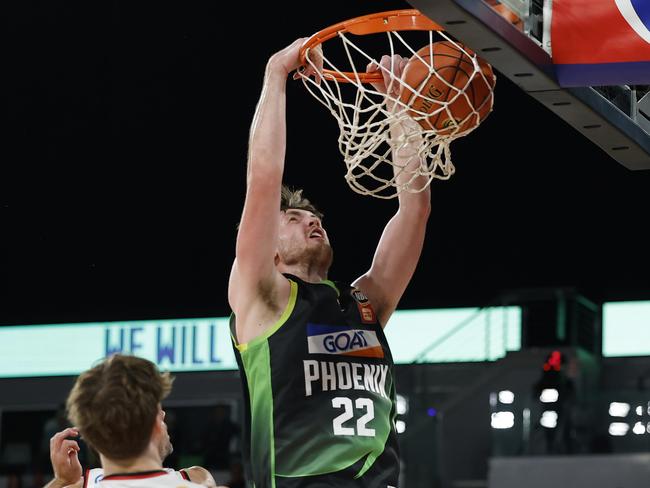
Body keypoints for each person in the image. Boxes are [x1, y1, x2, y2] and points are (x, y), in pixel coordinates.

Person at [228, 37, 431, 487]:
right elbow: (263, 179)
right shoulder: (262, 297)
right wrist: (276, 72)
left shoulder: (365, 303)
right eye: (294, 218)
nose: (312, 222)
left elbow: (414, 209)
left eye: (315, 217)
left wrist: (399, 107)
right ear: (270, 248)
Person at [42, 354, 222, 488]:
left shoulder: (83, 483)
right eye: (159, 410)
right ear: (155, 425)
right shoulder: (198, 478)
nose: (164, 415)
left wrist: (62, 481)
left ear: (91, 437)